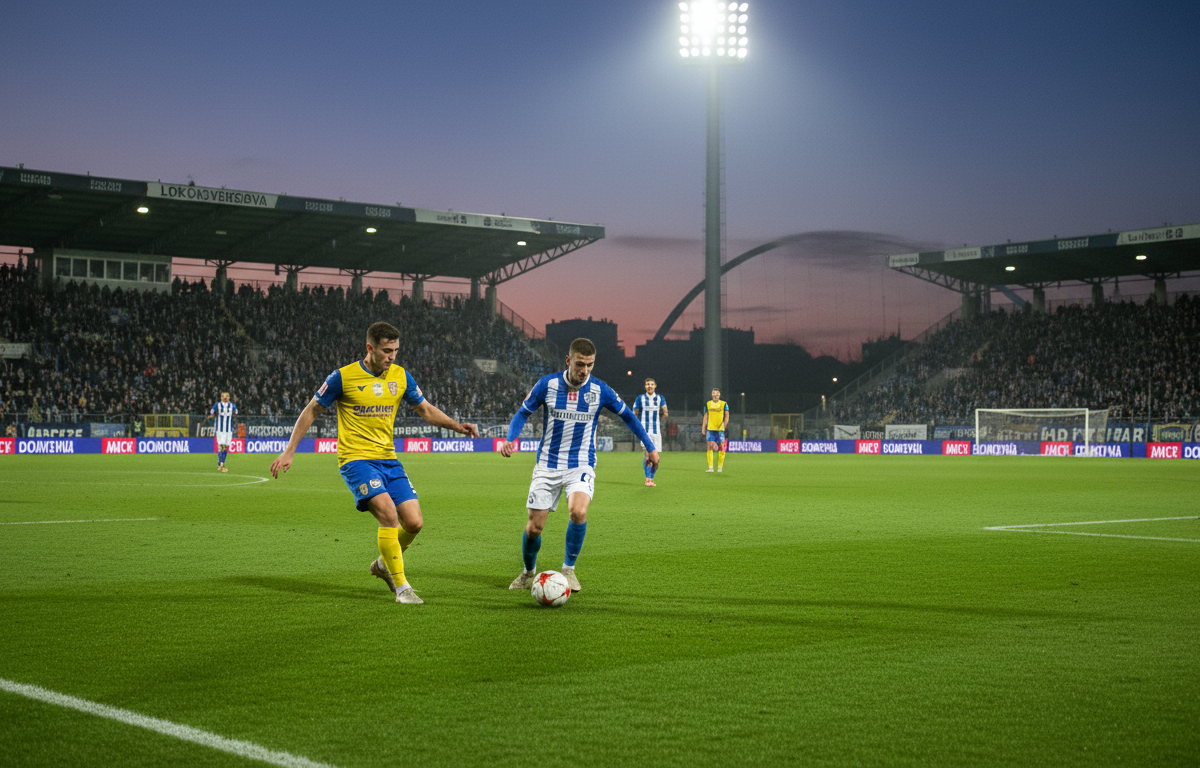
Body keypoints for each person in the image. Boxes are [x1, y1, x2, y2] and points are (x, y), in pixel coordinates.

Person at [269, 321, 478, 605]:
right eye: (386, 350)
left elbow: (426, 410)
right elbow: (312, 410)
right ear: (370, 348)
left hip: (389, 460)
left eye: (396, 350)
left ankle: (382, 565)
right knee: (389, 516)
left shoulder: (401, 377)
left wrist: (457, 426)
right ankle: (402, 588)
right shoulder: (342, 377)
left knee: (414, 522)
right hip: (356, 460)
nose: (392, 356)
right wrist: (289, 450)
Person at [500, 338, 659, 593]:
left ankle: (569, 570)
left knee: (578, 511)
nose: (584, 370)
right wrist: (510, 439)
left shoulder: (600, 390)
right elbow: (522, 413)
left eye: (589, 365)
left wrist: (649, 446)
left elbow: (628, 415)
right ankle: (528, 572)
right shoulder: (547, 384)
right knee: (534, 528)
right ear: (568, 361)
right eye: (580, 364)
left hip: (581, 463)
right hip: (548, 464)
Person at [632, 377, 668, 487]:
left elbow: (665, 413)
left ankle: (651, 478)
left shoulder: (660, 398)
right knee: (647, 456)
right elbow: (635, 413)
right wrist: (638, 426)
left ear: (655, 386)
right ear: (645, 386)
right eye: (647, 384)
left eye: (652, 384)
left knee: (656, 459)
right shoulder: (640, 398)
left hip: (656, 432)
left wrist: (658, 418)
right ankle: (648, 480)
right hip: (645, 432)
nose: (650, 386)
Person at [201, 391, 238, 472]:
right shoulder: (217, 405)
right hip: (220, 430)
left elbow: (236, 411)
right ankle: (220, 465)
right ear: (221, 397)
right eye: (223, 396)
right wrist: (213, 413)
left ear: (229, 397)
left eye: (227, 396)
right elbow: (211, 411)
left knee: (225, 447)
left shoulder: (232, 405)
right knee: (221, 446)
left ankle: (221, 464)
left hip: (228, 430)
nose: (225, 397)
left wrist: (234, 413)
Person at [702, 388, 729, 473]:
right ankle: (710, 468)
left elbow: (727, 415)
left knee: (722, 448)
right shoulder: (708, 404)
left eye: (717, 393)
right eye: (714, 393)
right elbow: (705, 416)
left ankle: (720, 468)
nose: (715, 394)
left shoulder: (724, 404)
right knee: (709, 447)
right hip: (710, 429)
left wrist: (724, 426)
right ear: (711, 394)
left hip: (720, 429)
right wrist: (703, 427)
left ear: (719, 394)